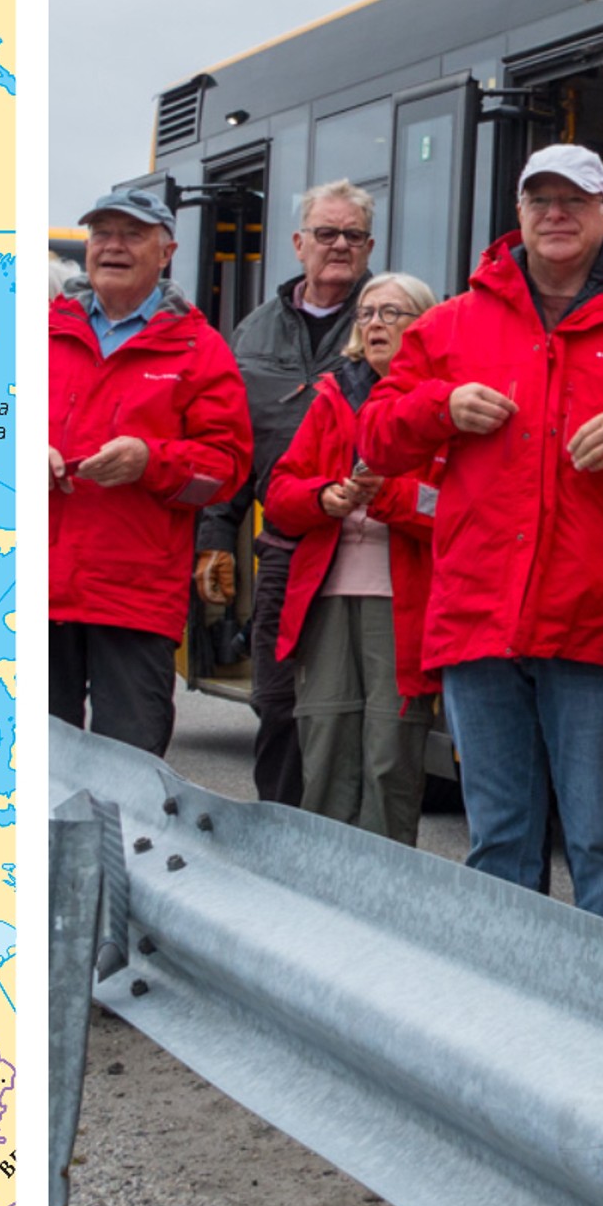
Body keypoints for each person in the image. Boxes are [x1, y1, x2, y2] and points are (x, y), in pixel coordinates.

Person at [362, 146, 603, 927]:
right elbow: (377, 437)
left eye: (575, 200)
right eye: (541, 199)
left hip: (594, 622)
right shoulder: (452, 324)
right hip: (479, 622)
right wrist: (440, 408)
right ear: (517, 215)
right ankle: (505, 1028)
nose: (557, 213)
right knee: (500, 843)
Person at [49, 187, 253, 756]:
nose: (112, 246)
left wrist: (151, 461)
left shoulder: (200, 349)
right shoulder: (36, 331)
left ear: (166, 252)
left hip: (132, 600)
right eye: (102, 234)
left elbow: (227, 471)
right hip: (33, 595)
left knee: (130, 787)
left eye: (131, 235)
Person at [261, 269, 446, 844]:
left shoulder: (443, 401)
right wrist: (325, 497)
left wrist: (387, 496)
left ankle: (386, 902)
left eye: (392, 313)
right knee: (327, 752)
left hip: (404, 603)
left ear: (424, 326)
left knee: (390, 761)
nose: (374, 324)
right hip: (328, 597)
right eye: (366, 313)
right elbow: (281, 494)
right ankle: (323, 898)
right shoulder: (333, 394)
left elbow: (454, 509)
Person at [223, 181, 381, 806]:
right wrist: (215, 540)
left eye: (353, 236)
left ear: (370, 246)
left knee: (359, 716)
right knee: (279, 704)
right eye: (325, 233)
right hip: (285, 545)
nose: (339, 246)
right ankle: (277, 844)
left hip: (368, 550)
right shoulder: (254, 332)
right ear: (298, 244)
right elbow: (234, 443)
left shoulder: (389, 317)